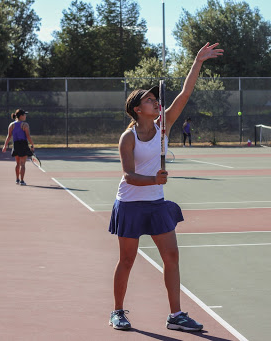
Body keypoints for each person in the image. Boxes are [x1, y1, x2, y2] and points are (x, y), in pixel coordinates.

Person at [108, 42, 223, 332]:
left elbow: (185, 94)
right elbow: (128, 176)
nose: (156, 102)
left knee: (171, 256)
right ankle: (117, 311)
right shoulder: (128, 138)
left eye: (155, 99)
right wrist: (153, 180)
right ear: (137, 109)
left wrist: (197, 61)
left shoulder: (165, 125)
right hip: (131, 203)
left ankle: (176, 316)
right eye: (149, 100)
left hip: (156, 203)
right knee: (127, 260)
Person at [2, 109, 35, 186]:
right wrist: (32, 145)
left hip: (16, 145)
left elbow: (9, 136)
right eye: (24, 115)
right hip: (23, 145)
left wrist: (5, 146)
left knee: (18, 164)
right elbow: (28, 136)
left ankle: (17, 179)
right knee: (23, 164)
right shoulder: (25, 125)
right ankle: (22, 181)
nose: (25, 116)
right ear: (21, 116)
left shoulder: (11, 125)